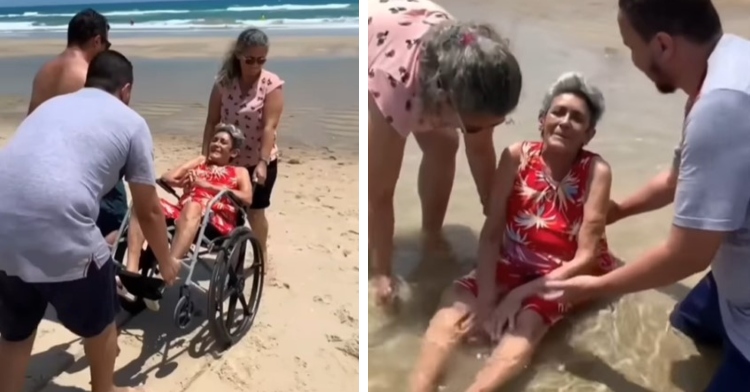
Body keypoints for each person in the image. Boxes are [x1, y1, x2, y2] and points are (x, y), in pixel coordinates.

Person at [543, 1, 750, 390]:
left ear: (662, 46)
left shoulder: (721, 107)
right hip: (734, 280)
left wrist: (595, 286)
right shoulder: (730, 60)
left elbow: (688, 254)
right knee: (683, 326)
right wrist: (616, 212)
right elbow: (678, 178)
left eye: (631, 46)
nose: (633, 60)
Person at [410, 73, 615, 392]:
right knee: (455, 304)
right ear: (541, 120)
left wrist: (519, 296)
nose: (564, 122)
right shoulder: (516, 156)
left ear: (588, 135)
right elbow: (492, 233)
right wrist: (488, 298)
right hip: (513, 259)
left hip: (562, 270)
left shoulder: (596, 171)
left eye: (576, 118)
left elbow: (586, 256)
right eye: (557, 112)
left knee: (527, 324)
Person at [0, 50, 181, 392]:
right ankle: (104, 388)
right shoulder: (131, 122)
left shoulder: (52, 106)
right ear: (126, 90)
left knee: (16, 328)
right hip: (59, 226)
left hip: (1, 224)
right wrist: (167, 261)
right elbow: (149, 209)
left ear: (89, 81)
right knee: (102, 323)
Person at [368, 0, 523, 308]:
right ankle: (378, 262)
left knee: (445, 145)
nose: (484, 132)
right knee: (382, 178)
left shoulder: (479, 77)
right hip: (378, 44)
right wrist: (383, 272)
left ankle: (432, 232)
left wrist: (494, 218)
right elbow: (379, 195)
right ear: (445, 101)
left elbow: (480, 153)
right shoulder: (395, 87)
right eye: (478, 126)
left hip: (418, 37)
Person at [124, 123, 253, 309]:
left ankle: (165, 274)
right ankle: (132, 271)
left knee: (193, 207)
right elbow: (167, 177)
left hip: (216, 220)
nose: (216, 144)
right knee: (141, 203)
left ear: (233, 153)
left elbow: (247, 198)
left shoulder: (239, 172)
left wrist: (207, 186)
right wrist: (185, 178)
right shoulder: (200, 161)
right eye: (215, 140)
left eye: (223, 142)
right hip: (182, 212)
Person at [27, 8, 127, 246]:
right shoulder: (89, 78)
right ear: (96, 41)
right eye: (107, 45)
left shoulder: (44, 72)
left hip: (40, 163)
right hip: (77, 169)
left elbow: (31, 120)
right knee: (120, 219)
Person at [203, 27, 284, 274]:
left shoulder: (271, 84)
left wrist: (261, 162)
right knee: (229, 211)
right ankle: (231, 253)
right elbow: (211, 120)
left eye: (261, 60)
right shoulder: (223, 83)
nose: (255, 65)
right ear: (239, 55)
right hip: (230, 161)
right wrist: (207, 156)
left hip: (260, 161)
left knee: (255, 213)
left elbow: (270, 126)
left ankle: (261, 255)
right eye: (250, 59)